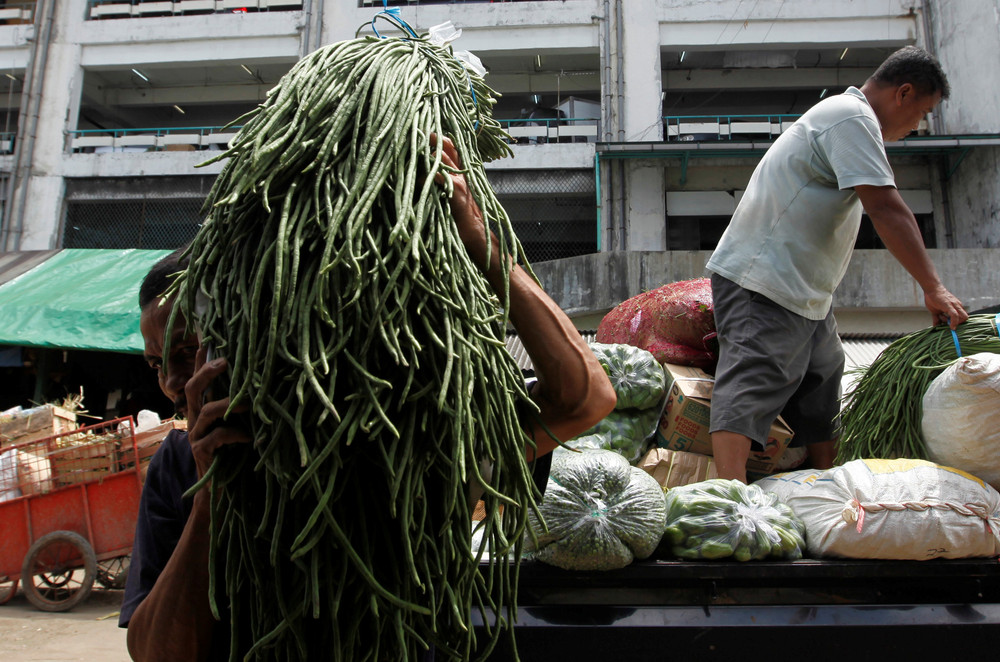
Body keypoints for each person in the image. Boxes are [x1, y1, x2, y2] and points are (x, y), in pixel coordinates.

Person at [119, 136, 617, 661]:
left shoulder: (410, 431)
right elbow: (157, 654)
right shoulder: (180, 467)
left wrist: (483, 245)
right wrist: (213, 496)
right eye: (156, 364)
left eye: (186, 350)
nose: (173, 382)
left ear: (247, 329)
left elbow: (584, 399)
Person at [705, 45, 968, 483]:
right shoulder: (851, 116)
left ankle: (827, 486)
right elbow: (887, 208)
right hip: (764, 279)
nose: (917, 126)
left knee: (822, 386)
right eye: (922, 112)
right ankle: (730, 500)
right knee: (755, 379)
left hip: (807, 291)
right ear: (903, 93)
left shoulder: (849, 118)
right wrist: (933, 287)